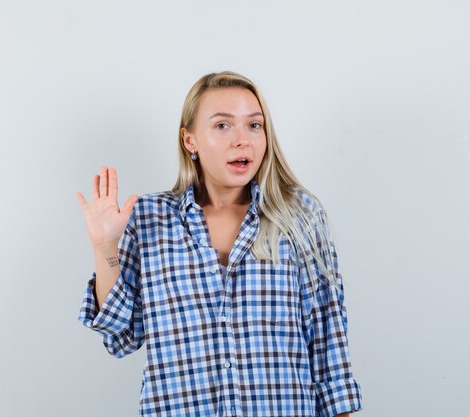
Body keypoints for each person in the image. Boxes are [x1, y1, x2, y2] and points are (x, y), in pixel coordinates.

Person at [76, 71, 363, 417]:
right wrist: (106, 246)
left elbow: (328, 341)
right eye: (223, 126)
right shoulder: (150, 218)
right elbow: (120, 336)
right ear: (190, 140)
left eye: (254, 126)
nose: (242, 140)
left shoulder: (299, 214)